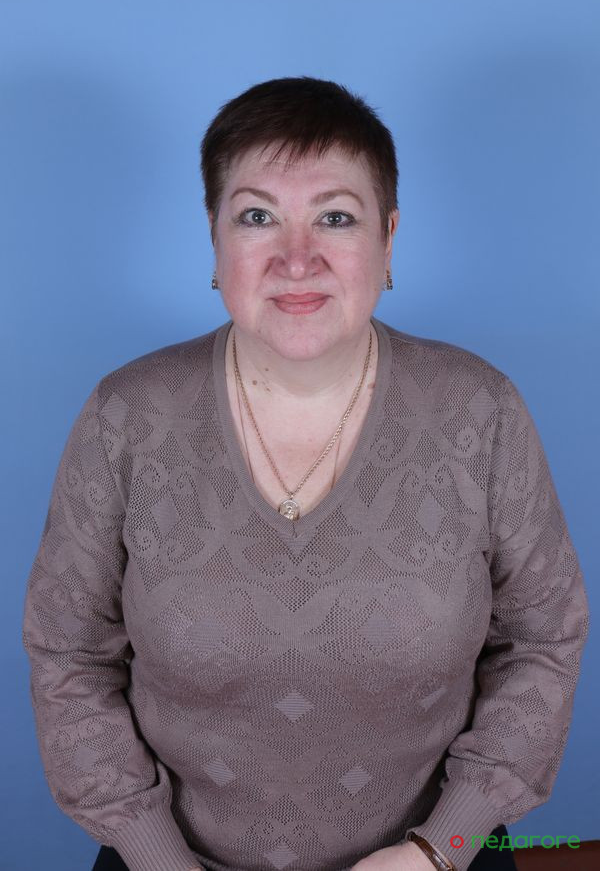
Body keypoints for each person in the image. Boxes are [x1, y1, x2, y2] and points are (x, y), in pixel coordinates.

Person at [22, 76, 589, 871]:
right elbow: (69, 654)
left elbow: (543, 640)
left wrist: (441, 847)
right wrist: (157, 858)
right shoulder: (126, 414)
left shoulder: (480, 409)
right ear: (214, 240)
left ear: (388, 239)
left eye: (335, 217)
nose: (297, 259)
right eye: (257, 217)